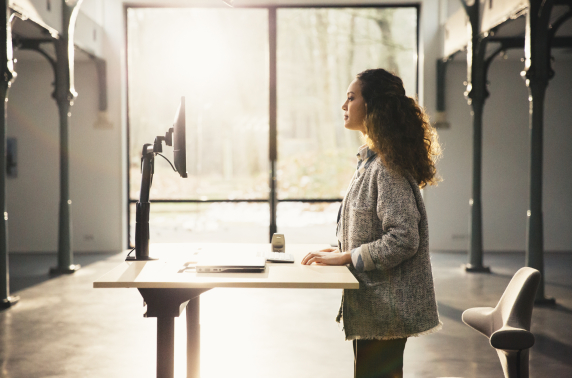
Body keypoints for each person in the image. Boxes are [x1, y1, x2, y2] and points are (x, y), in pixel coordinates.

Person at [301, 68, 442, 378]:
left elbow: (403, 239)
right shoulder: (372, 161)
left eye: (351, 98)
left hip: (386, 310)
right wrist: (341, 249)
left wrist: (348, 256)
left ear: (372, 106)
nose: (344, 105)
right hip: (377, 307)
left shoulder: (386, 167)